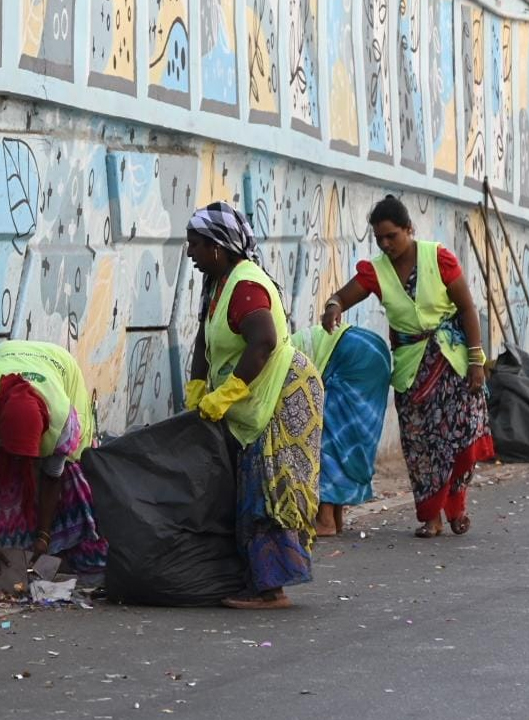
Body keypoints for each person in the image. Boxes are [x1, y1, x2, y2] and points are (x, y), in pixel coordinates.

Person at [320, 195, 492, 539]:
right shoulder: (376, 272)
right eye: (379, 239)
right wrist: (333, 305)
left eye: (392, 236)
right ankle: (431, 517)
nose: (386, 245)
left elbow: (468, 309)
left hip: (450, 362)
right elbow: (342, 296)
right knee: (420, 446)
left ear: (408, 230)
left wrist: (477, 361)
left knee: (456, 439)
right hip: (411, 370)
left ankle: (456, 507)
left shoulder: (438, 258)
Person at [183, 201, 322, 609]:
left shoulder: (245, 285)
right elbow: (203, 343)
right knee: (249, 482)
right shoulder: (218, 285)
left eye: (196, 245)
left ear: (219, 248)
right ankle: (258, 580)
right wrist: (196, 388)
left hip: (281, 392)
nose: (190, 253)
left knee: (267, 487)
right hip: (255, 394)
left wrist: (226, 393)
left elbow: (263, 340)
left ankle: (270, 590)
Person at [0, 340, 108, 577]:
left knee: (72, 469)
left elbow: (52, 478)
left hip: (61, 365)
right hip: (4, 354)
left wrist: (44, 536)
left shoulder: (63, 421)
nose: (21, 463)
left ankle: (63, 551)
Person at [291, 323, 392, 536]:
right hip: (373, 350)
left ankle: (325, 520)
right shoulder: (289, 343)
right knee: (348, 437)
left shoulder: (282, 360)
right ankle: (336, 517)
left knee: (331, 436)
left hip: (355, 355)